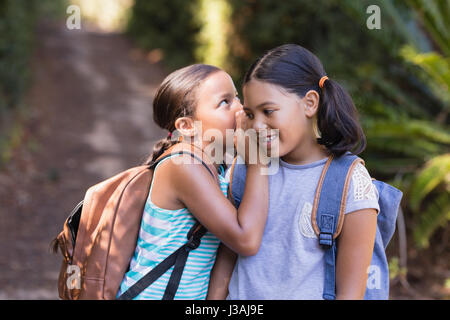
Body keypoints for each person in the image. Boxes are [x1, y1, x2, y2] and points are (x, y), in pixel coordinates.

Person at [207, 44, 380, 300]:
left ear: (309, 104)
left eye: (268, 111)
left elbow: (351, 292)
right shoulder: (244, 169)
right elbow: (227, 258)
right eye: (250, 114)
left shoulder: (350, 182)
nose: (257, 125)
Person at [117, 64, 269, 299]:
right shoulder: (183, 166)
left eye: (237, 98)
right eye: (225, 102)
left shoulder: (215, 167)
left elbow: (227, 249)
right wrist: (258, 163)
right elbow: (246, 240)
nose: (240, 109)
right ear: (187, 126)